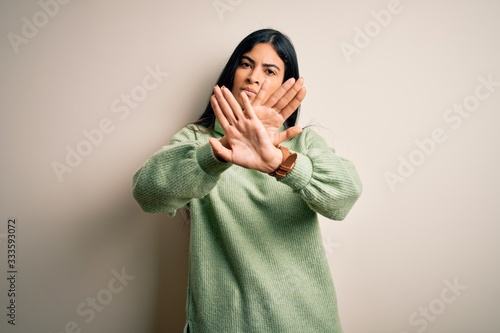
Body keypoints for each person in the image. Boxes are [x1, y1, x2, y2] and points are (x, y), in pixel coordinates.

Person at [132, 28, 362, 333]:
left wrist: (281, 164)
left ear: (285, 85)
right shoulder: (198, 141)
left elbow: (345, 195)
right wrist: (221, 151)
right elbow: (147, 194)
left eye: (270, 70)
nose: (254, 77)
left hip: (303, 320)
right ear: (232, 73)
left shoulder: (301, 143)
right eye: (246, 64)